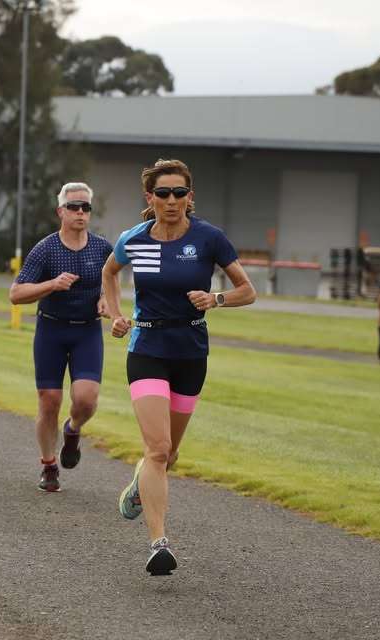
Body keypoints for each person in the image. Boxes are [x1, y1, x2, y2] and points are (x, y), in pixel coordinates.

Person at [102, 159, 256, 576]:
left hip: (191, 350)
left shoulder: (209, 238)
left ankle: (140, 485)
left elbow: (247, 290)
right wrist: (115, 314)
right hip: (147, 347)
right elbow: (109, 272)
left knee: (169, 453)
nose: (172, 200)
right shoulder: (133, 239)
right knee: (157, 448)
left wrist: (216, 299)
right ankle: (159, 544)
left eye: (179, 193)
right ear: (149, 197)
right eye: (163, 193)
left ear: (190, 197)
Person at [9, 182, 112, 492]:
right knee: (49, 400)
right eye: (73, 207)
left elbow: (112, 282)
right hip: (52, 330)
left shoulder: (102, 248)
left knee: (86, 399)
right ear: (60, 211)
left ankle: (73, 429)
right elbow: (16, 293)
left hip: (87, 330)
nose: (80, 212)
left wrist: (105, 299)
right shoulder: (46, 249)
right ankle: (48, 465)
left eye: (85, 207)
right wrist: (51, 284)